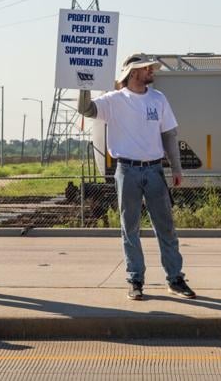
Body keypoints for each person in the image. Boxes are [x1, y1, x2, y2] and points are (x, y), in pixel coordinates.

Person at [78, 53, 195, 301]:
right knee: (129, 228)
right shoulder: (114, 101)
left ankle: (175, 279)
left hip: (154, 170)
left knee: (166, 227)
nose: (152, 71)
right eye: (147, 69)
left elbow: (169, 135)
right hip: (126, 170)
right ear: (134, 73)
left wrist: (176, 168)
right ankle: (135, 280)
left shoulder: (158, 99)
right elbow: (86, 109)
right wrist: (83, 86)